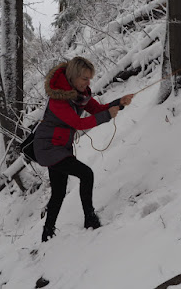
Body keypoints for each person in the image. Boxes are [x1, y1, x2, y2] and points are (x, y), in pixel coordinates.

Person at [33, 57, 133, 242]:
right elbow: (78, 123)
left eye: (90, 78)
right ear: (73, 77)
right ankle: (90, 219)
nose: (88, 83)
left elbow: (98, 109)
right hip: (48, 147)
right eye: (84, 79)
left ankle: (47, 233)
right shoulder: (58, 99)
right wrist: (106, 115)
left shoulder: (80, 95)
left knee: (59, 191)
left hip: (59, 146)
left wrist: (119, 102)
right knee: (86, 174)